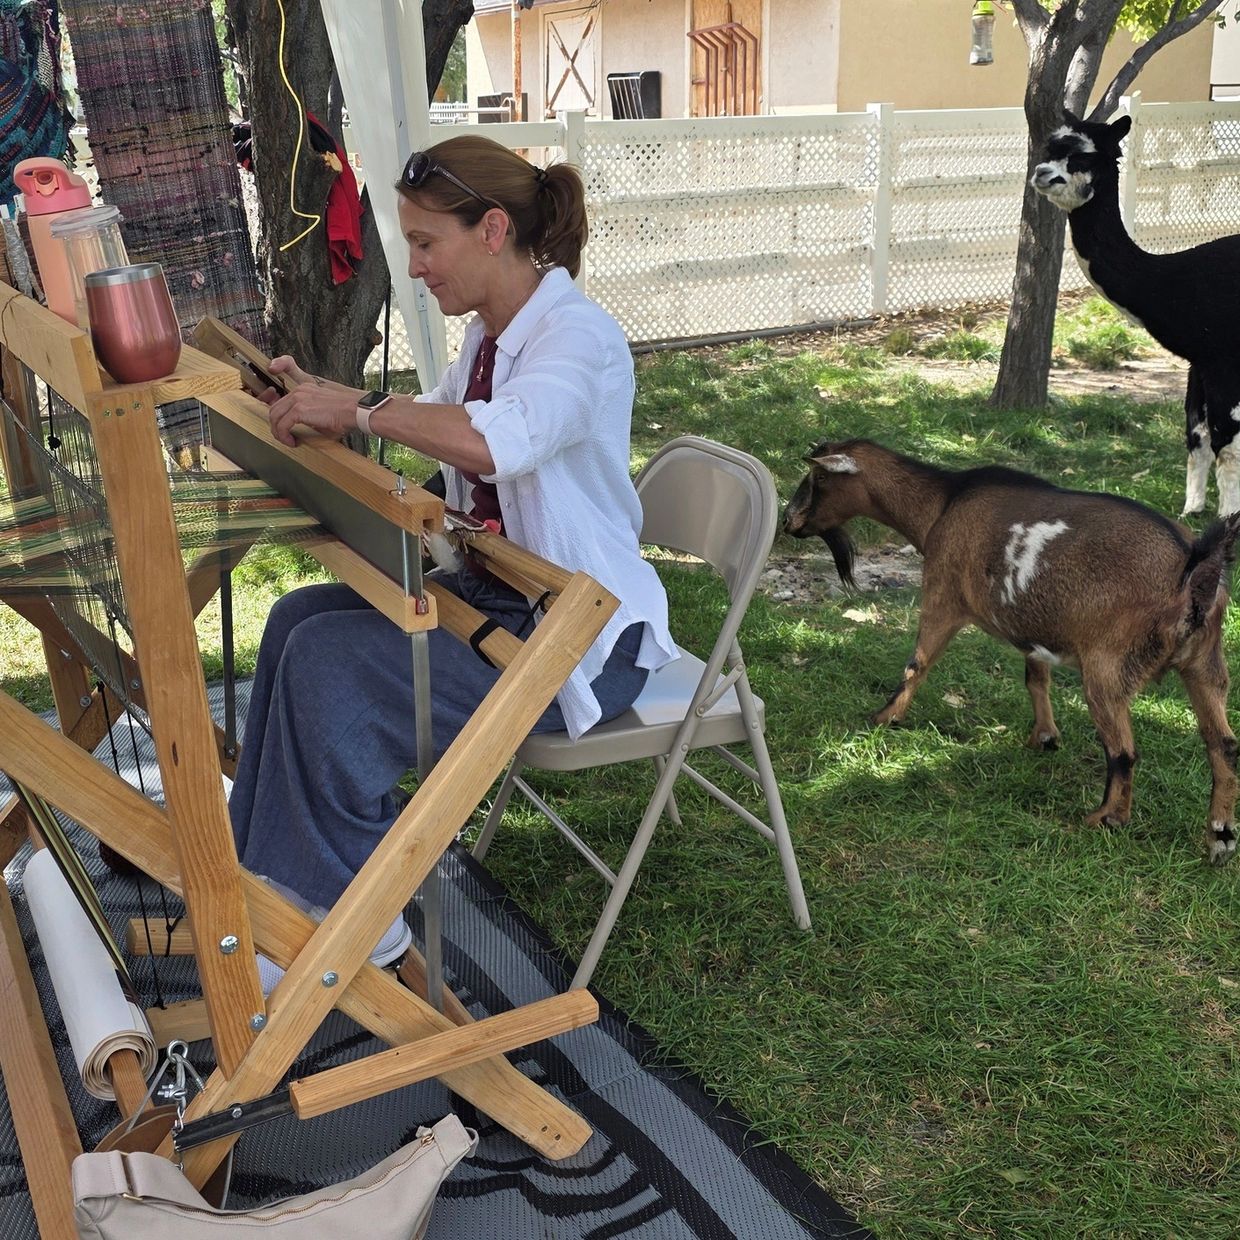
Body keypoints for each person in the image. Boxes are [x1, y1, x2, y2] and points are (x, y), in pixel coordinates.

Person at [228, 135, 676, 986]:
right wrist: (316, 403)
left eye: (427, 244)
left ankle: (357, 922)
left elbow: (490, 443)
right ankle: (268, 878)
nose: (418, 266)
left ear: (493, 230)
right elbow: (429, 420)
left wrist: (354, 407)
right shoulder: (485, 338)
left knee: (330, 668)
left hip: (582, 639)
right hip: (504, 601)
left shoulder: (577, 342)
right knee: (293, 622)